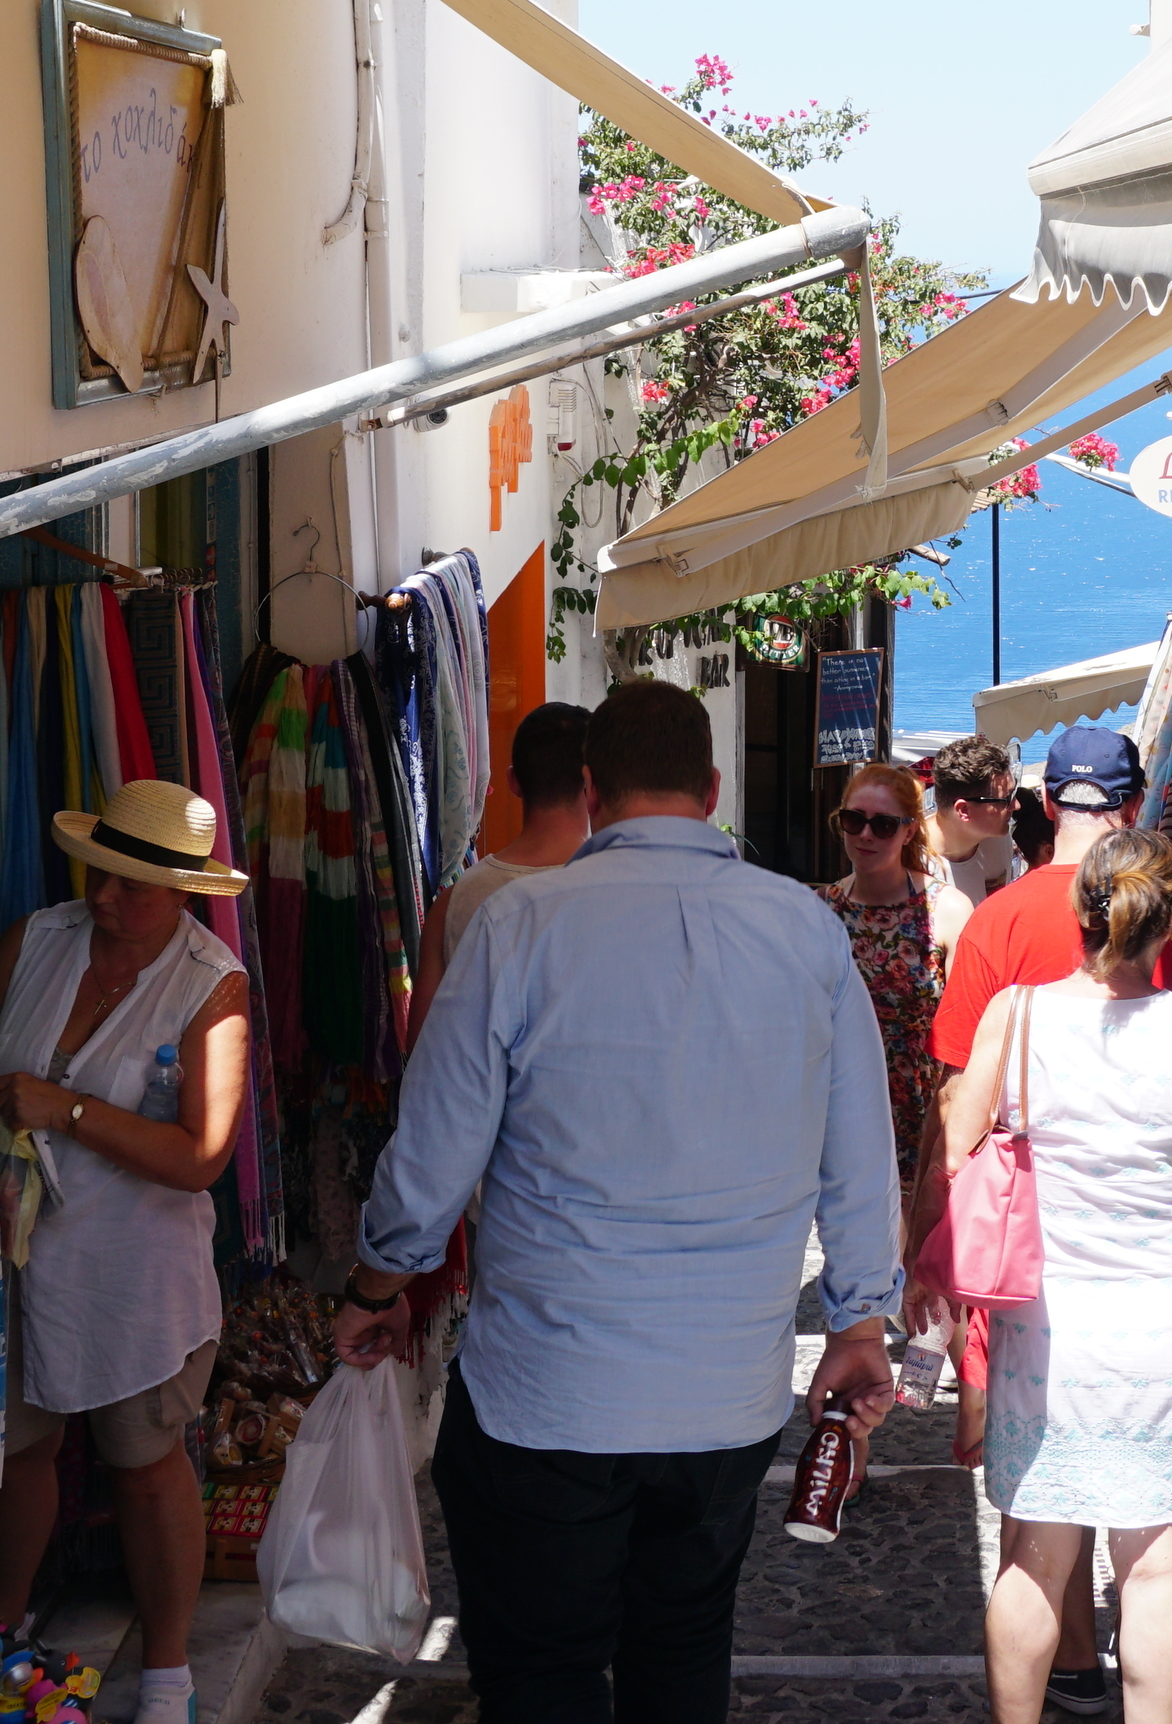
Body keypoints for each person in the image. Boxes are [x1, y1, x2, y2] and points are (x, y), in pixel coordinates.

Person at [332, 680, 905, 1723]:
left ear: (590, 791)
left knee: (542, 1671)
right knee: (683, 1648)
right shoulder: (806, 935)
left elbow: (432, 1154)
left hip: (547, 1390)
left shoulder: (516, 927)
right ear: (714, 788)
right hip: (722, 1392)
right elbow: (858, 1155)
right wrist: (859, 1322)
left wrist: (376, 1285)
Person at [922, 725, 1172, 1715]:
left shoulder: (1014, 1011)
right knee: (1157, 1565)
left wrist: (921, 1262)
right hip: (1162, 1321)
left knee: (1033, 1549)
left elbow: (950, 1135)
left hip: (1043, 1317)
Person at [0, 781, 255, 1724]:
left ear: (184, 893)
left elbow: (201, 1156)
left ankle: (170, 1671)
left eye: (135, 885)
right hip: (15, 1257)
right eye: (103, 871)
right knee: (19, 1450)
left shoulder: (209, 985)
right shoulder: (38, 939)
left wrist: (69, 1111)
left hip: (136, 1276)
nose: (106, 897)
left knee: (143, 1461)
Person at [816, 757, 970, 1216]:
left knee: (915, 1271)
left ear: (908, 831)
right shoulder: (822, 910)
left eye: (882, 825)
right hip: (842, 1113)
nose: (865, 834)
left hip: (924, 1119)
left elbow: (970, 1035)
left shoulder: (948, 910)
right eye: (854, 821)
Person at [416, 700, 596, 1025]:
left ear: (514, 781)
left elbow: (423, 1055)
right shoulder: (625, 896)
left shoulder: (453, 903)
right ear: (595, 784)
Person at [928, 735, 1025, 902]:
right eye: (1006, 799)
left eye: (1013, 793)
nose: (1016, 806)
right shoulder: (911, 865)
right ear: (964, 810)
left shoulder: (997, 838)